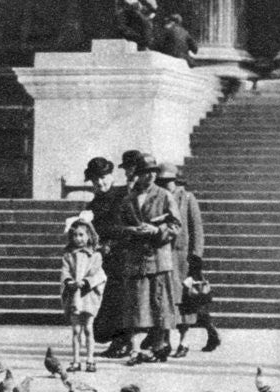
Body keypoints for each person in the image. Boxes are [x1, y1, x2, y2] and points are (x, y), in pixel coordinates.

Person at [117, 154, 183, 364]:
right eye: (146, 172)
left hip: (159, 258)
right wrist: (132, 230)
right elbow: (119, 227)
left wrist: (156, 230)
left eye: (154, 172)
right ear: (137, 174)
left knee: (160, 304)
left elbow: (176, 225)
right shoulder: (128, 199)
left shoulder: (164, 196)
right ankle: (135, 349)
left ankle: (159, 347)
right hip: (136, 259)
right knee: (137, 305)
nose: (151, 176)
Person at [155, 162, 221, 356]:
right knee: (166, 302)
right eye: (162, 181)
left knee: (186, 305)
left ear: (176, 181)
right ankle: (166, 341)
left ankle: (183, 342)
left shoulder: (187, 198)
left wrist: (196, 257)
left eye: (169, 181)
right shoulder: (159, 198)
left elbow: (197, 230)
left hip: (183, 259)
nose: (166, 184)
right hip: (164, 257)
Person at [83, 157, 131, 358]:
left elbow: (123, 227)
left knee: (119, 299)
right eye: (95, 180)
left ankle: (123, 342)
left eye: (103, 178)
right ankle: (117, 340)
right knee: (107, 299)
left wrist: (106, 242)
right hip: (103, 258)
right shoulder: (94, 203)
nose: (100, 183)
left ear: (112, 176)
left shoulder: (123, 196)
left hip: (122, 254)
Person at [61, 215, 107, 373]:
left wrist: (86, 282)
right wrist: (69, 282)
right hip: (74, 294)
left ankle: (90, 359)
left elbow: (97, 274)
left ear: (89, 236)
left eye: (81, 235)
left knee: (88, 328)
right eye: (74, 235)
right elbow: (65, 271)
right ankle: (75, 360)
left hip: (87, 295)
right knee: (75, 329)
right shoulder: (68, 256)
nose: (78, 238)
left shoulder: (95, 256)